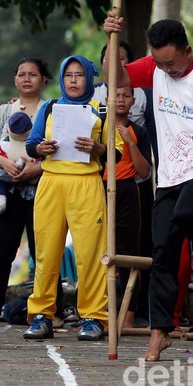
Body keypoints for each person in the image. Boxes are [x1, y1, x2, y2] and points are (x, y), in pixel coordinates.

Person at [103, 15, 193, 361]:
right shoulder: (153, 68)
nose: (167, 70)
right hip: (170, 173)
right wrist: (111, 37)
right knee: (162, 247)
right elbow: (114, 77)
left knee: (189, 213)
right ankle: (160, 331)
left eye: (173, 63)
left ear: (188, 51)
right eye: (160, 63)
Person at [23, 55, 123, 342]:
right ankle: (41, 314)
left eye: (79, 75)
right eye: (68, 75)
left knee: (91, 253)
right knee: (46, 252)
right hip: (51, 182)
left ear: (89, 77)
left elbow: (115, 153)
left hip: (86, 182)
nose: (74, 80)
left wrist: (97, 147)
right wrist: (41, 147)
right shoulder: (51, 107)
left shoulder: (102, 108)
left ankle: (94, 317)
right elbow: (31, 145)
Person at [0, 57, 49, 327]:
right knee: (2, 251)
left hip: (41, 190)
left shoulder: (51, 110)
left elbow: (59, 151)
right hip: (5, 192)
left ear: (44, 79)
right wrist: (7, 164)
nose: (27, 79)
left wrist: (35, 170)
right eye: (21, 74)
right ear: (15, 79)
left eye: (33, 74)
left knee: (42, 250)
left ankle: (45, 310)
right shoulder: (3, 111)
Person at [106, 86, 151, 328]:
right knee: (95, 251)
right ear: (107, 99)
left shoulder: (139, 132)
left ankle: (128, 317)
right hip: (98, 189)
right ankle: (97, 315)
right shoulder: (99, 126)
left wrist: (130, 143)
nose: (121, 100)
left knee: (127, 253)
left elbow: (144, 171)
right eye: (116, 95)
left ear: (133, 101)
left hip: (127, 192)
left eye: (126, 95)